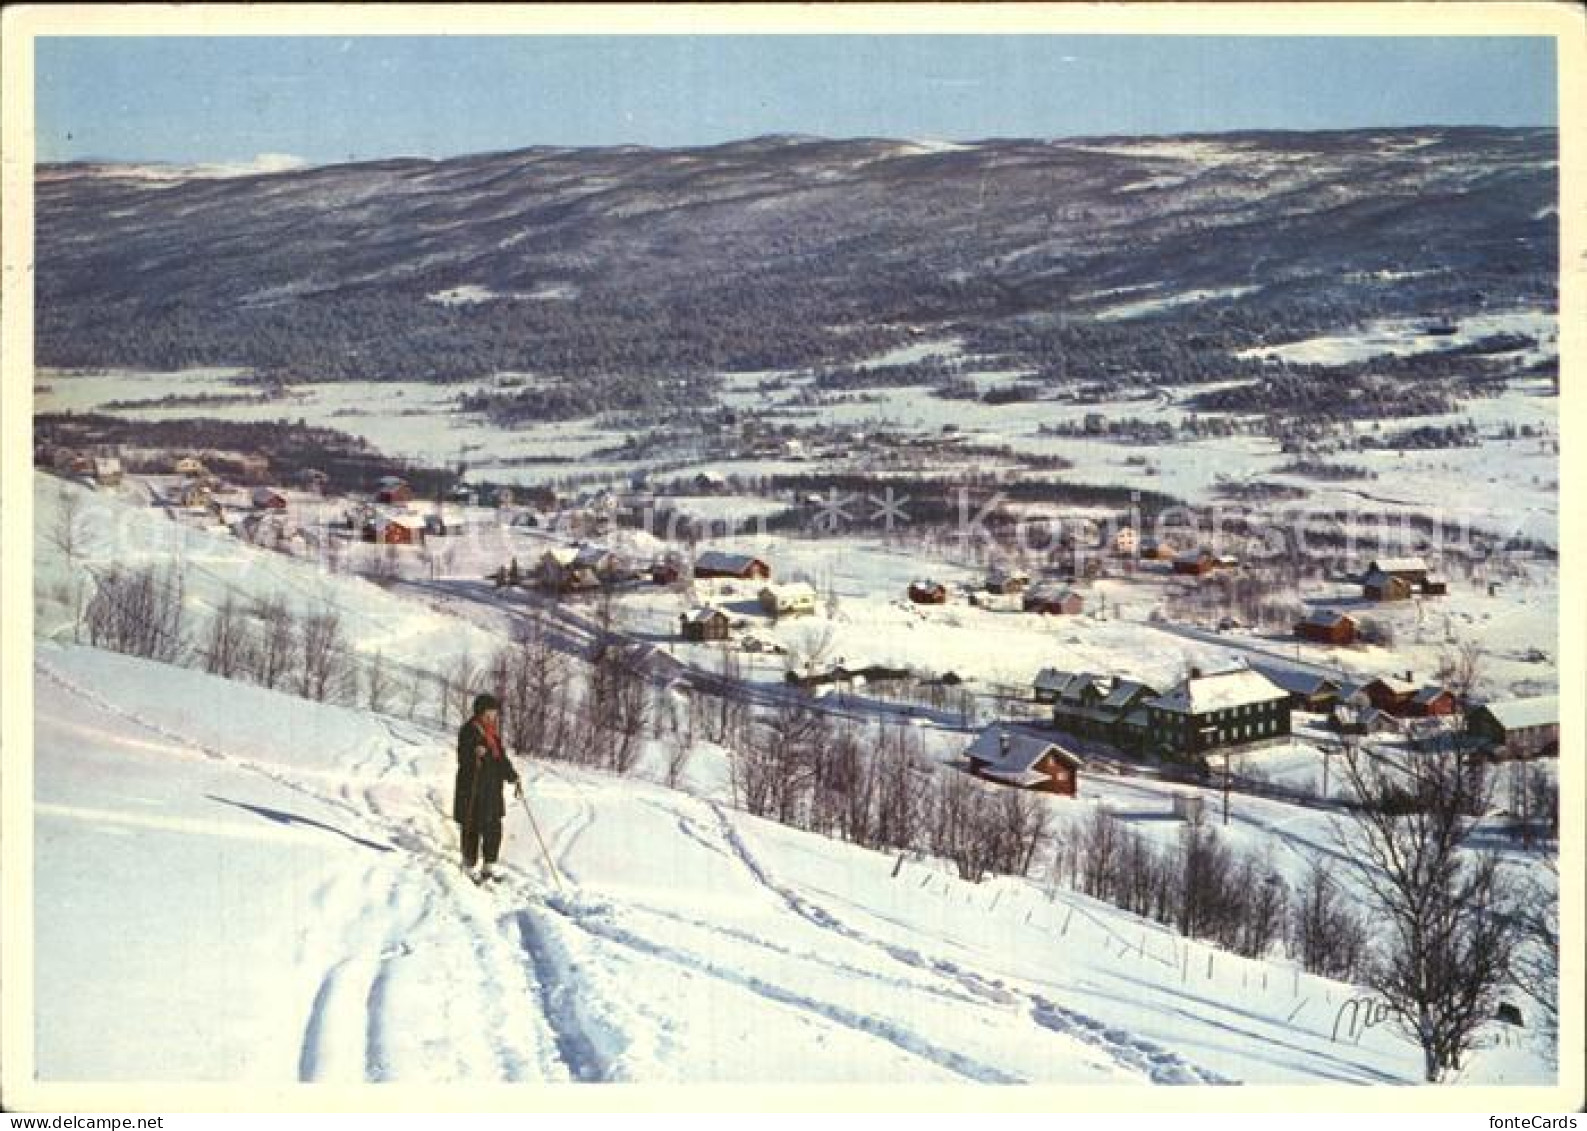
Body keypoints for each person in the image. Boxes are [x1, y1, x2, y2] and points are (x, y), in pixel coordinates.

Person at [454, 692, 522, 880]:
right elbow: (462, 757)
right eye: (489, 713)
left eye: (494, 714)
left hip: (491, 791)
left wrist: (512, 776)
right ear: (480, 712)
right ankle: (469, 867)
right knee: (472, 826)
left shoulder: (493, 735)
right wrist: (474, 752)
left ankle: (489, 867)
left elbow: (501, 760)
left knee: (493, 827)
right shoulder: (469, 730)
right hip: (473, 789)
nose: (493, 717)